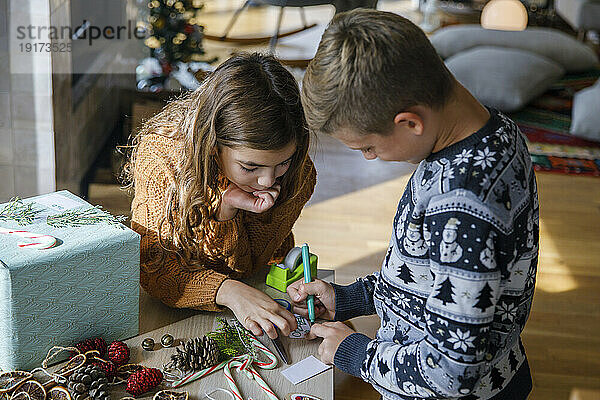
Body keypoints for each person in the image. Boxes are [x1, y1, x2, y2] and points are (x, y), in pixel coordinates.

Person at [289, 9, 538, 400]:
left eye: (367, 146)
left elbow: (453, 372)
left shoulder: (463, 206)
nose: (369, 157)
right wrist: (350, 298)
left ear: (410, 123)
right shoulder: (496, 132)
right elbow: (430, 279)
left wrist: (356, 353)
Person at [125, 53, 316, 339]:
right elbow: (156, 271)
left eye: (282, 163)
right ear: (213, 146)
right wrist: (226, 289)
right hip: (172, 312)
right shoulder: (162, 157)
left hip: (256, 292)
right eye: (250, 167)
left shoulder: (298, 173)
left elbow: (248, 267)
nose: (267, 181)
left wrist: (232, 210)